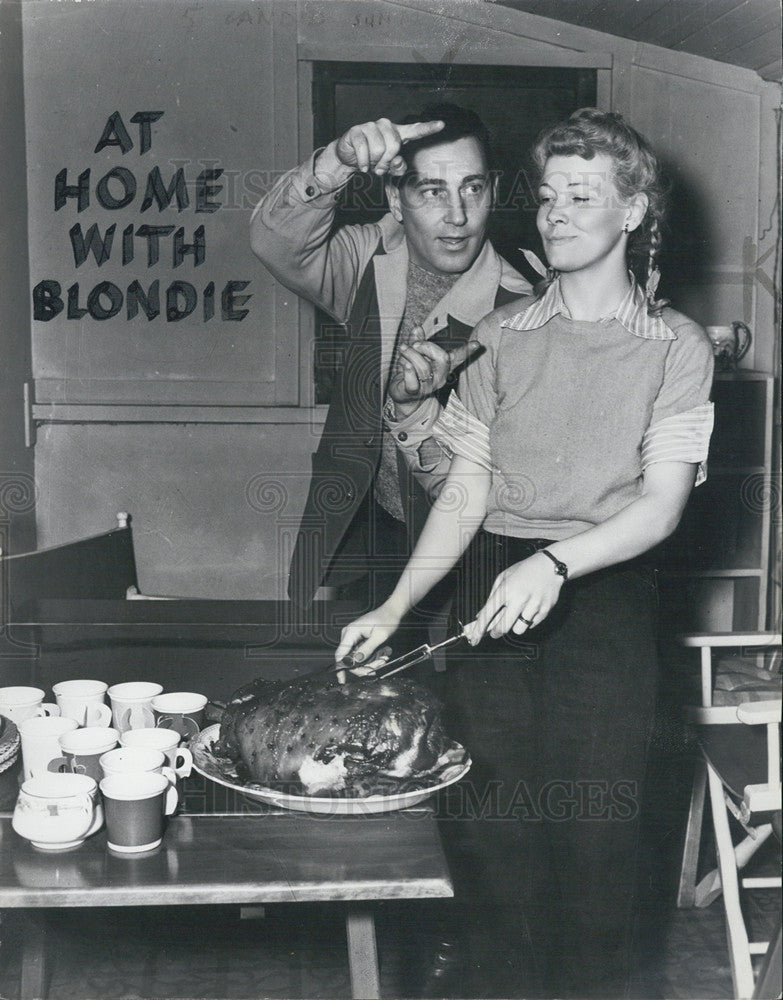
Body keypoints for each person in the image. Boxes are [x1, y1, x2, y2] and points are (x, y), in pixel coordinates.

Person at [335, 108, 715, 997]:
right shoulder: (502, 338)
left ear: (632, 211)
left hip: (607, 601)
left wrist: (553, 564)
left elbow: (659, 509)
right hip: (491, 596)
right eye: (545, 196)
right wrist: (393, 612)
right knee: (492, 847)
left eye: (581, 196)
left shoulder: (676, 348)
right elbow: (465, 492)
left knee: (596, 855)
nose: (553, 214)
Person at [250, 103, 530, 611]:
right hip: (367, 527)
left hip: (463, 551)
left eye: (473, 188)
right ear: (396, 200)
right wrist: (337, 161)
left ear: (492, 189)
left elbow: (509, 482)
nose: (458, 216)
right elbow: (275, 241)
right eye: (432, 192)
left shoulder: (519, 309)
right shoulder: (367, 259)